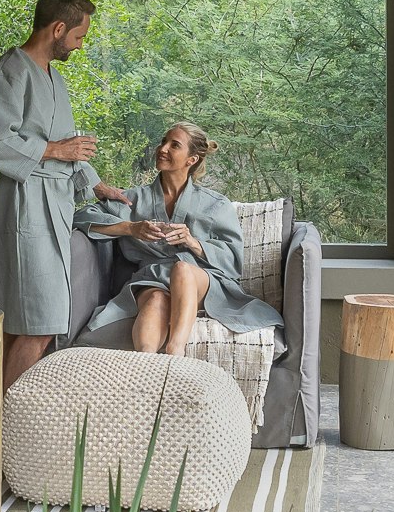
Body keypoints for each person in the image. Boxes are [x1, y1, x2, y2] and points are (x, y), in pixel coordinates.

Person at [0, 0, 129, 405]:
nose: (79, 45)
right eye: (78, 36)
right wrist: (55, 151)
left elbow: (68, 145)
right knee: (39, 322)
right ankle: (3, 420)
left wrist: (95, 185)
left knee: (25, 322)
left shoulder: (55, 79)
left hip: (56, 206)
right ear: (58, 29)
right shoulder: (9, 72)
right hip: (24, 205)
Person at [74, 120, 282, 356]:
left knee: (182, 269)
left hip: (200, 280)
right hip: (154, 279)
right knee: (155, 300)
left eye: (174, 145)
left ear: (191, 159)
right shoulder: (134, 199)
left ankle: (176, 350)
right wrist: (131, 228)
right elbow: (82, 217)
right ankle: (146, 361)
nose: (162, 149)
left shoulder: (215, 204)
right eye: (163, 142)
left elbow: (233, 260)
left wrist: (193, 243)